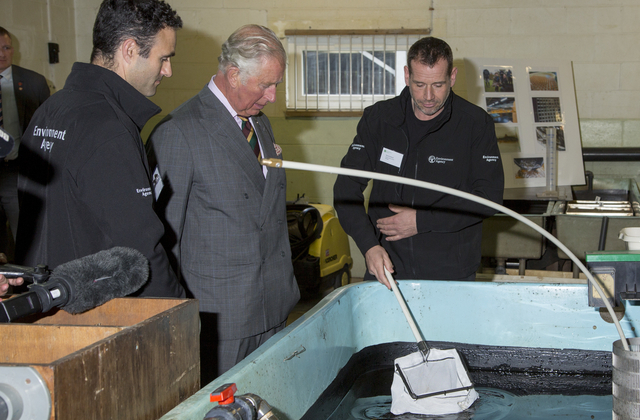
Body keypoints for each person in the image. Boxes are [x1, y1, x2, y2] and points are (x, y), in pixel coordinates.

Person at [148, 24, 300, 383]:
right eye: (266, 85)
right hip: (222, 319)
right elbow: (161, 241)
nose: (272, 97)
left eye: (276, 84)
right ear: (233, 74)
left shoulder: (259, 125)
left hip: (275, 307)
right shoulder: (178, 133)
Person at [15, 0, 185, 298]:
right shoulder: (109, 128)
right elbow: (140, 249)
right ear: (130, 50)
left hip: (42, 299)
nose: (169, 71)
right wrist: (177, 311)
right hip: (91, 313)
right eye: (164, 58)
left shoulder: (50, 110)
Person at [333, 36, 504, 288]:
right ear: (406, 75)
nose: (428, 96)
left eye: (438, 85)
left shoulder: (475, 124)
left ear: (452, 77)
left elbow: (489, 197)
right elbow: (346, 188)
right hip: (388, 267)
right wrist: (369, 246)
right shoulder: (380, 119)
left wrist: (422, 221)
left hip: (450, 271)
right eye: (419, 84)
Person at [0, 27, 50, 259]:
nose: (2, 54)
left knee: (23, 232)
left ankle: (23, 282)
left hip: (16, 170)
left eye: (6, 48)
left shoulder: (33, 82)